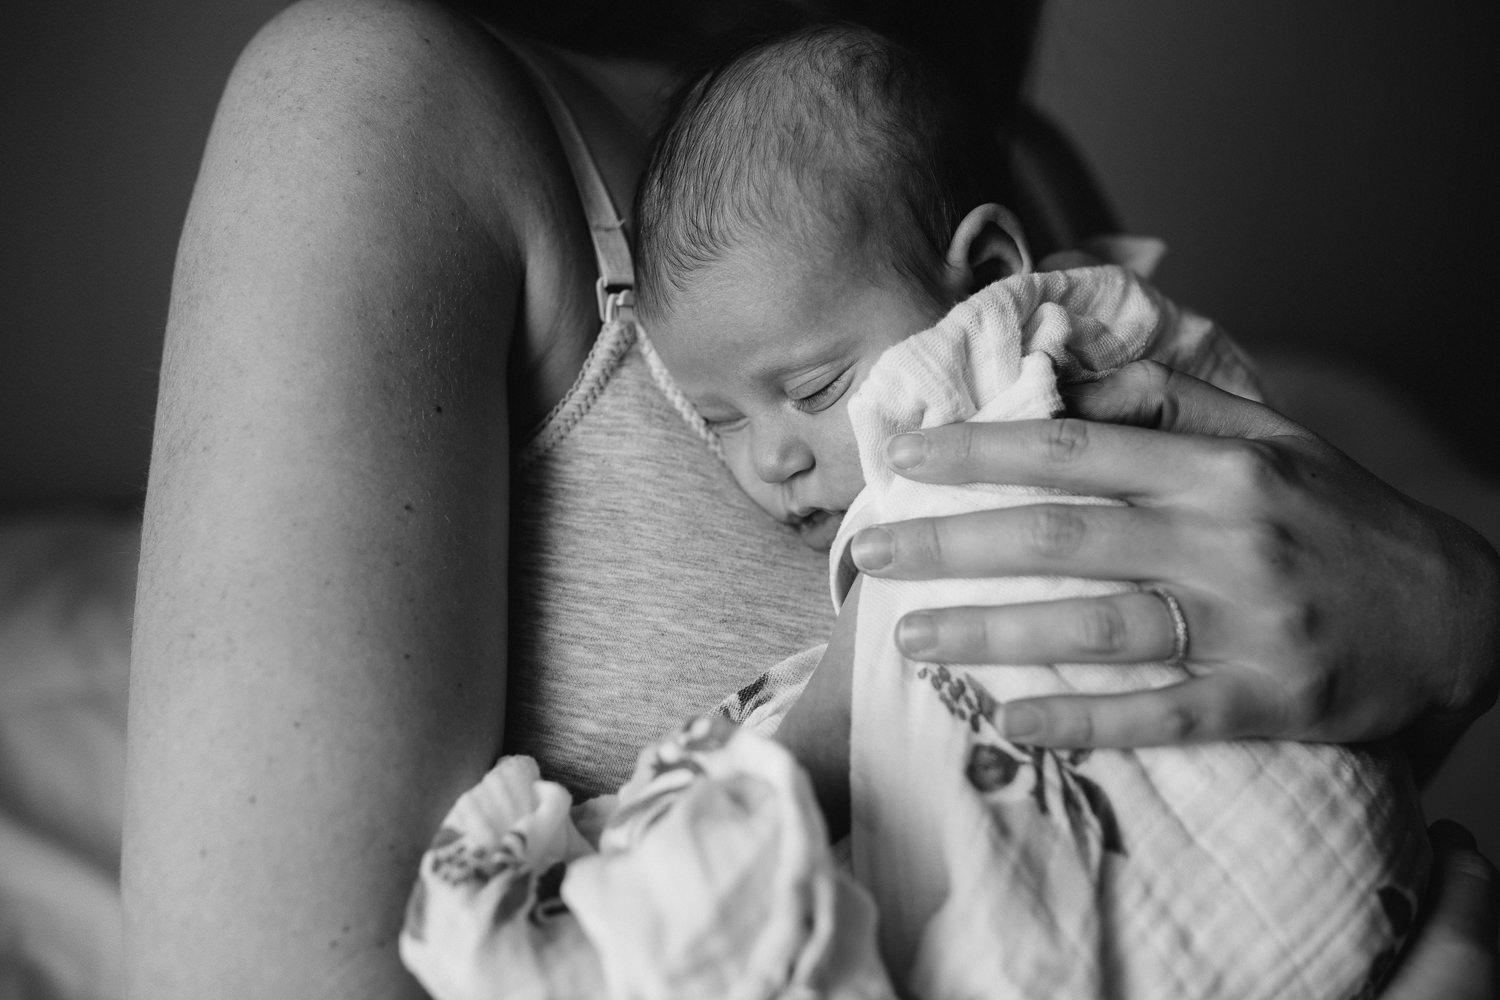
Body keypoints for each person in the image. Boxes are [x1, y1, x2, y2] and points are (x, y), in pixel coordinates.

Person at [121, 0, 1499, 997]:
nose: (772, 457)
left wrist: (1454, 619)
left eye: (816, 389)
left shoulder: (1025, 180)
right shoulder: (384, 107)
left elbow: (1192, 779)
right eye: (714, 415)